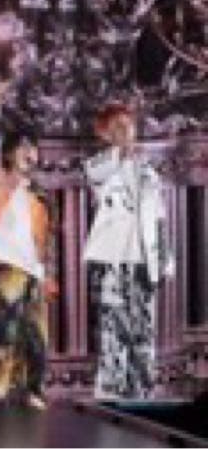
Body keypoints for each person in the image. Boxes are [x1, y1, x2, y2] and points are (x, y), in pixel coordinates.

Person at [0, 76, 56, 409]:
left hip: (32, 269)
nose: (28, 153)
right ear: (9, 152)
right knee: (0, 332)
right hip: (3, 264)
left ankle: (33, 390)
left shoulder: (41, 194)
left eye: (32, 147)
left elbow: (46, 240)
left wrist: (46, 274)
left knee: (34, 334)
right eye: (21, 146)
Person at [83, 102, 172, 399]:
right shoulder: (99, 165)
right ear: (105, 134)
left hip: (143, 260)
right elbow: (95, 176)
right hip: (112, 258)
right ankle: (112, 390)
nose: (125, 130)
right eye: (117, 126)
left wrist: (165, 259)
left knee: (143, 327)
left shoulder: (148, 171)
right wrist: (120, 153)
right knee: (113, 327)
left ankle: (142, 390)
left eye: (128, 124)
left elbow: (159, 215)